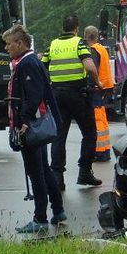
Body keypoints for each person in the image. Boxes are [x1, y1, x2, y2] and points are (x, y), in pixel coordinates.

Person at [3, 25, 65, 233]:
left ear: (20, 43)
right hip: (36, 125)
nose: (6, 47)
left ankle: (40, 218)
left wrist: (24, 121)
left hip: (30, 127)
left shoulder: (27, 63)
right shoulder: (30, 61)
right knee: (44, 169)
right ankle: (58, 210)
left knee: (35, 172)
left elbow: (34, 94)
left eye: (9, 43)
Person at [40, 14, 100, 188]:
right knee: (89, 133)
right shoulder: (79, 43)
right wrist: (98, 82)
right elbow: (89, 67)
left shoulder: (53, 45)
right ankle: (85, 172)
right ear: (76, 29)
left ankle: (57, 178)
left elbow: (42, 67)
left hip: (57, 95)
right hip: (78, 94)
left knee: (59, 136)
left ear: (63, 27)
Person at [83, 25, 113, 162]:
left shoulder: (93, 50)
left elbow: (92, 70)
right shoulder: (102, 49)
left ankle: (99, 151)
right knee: (102, 118)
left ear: (86, 36)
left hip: (96, 88)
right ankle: (105, 149)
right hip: (104, 88)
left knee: (97, 120)